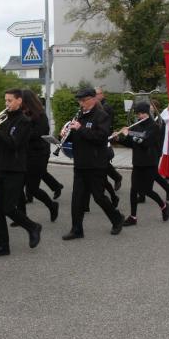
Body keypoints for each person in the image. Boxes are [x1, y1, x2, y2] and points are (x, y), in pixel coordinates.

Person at [0, 89, 43, 257]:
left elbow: (13, 143)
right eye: (6, 100)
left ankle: (32, 226)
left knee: (8, 208)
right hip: (2, 167)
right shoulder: (5, 120)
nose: (6, 103)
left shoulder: (24, 121)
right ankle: (3, 246)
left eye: (9, 100)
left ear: (19, 101)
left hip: (16, 169)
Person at [61, 88, 124, 240]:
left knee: (98, 197)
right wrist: (65, 134)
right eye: (79, 101)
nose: (81, 103)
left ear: (93, 99)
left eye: (83, 100)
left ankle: (117, 218)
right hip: (80, 162)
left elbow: (101, 137)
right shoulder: (80, 115)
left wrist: (80, 129)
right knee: (77, 198)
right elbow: (77, 136)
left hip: (96, 163)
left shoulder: (102, 116)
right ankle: (77, 229)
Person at [115, 102, 169, 226]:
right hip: (138, 161)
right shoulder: (136, 126)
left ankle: (164, 206)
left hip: (150, 162)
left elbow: (145, 141)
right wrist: (119, 138)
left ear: (148, 113)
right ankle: (133, 217)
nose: (140, 116)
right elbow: (131, 143)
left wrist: (130, 133)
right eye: (138, 114)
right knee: (134, 190)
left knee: (146, 190)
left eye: (142, 113)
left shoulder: (154, 126)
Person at [16, 90, 59, 222]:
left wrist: (21, 131)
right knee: (18, 187)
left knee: (33, 188)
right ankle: (21, 217)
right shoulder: (22, 114)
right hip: (24, 154)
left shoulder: (40, 115)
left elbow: (38, 134)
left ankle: (52, 205)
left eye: (21, 100)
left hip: (38, 154)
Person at [96, 87, 123, 192]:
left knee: (102, 162)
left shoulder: (106, 107)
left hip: (104, 137)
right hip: (100, 137)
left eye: (97, 94)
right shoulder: (97, 106)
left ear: (102, 94)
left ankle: (113, 180)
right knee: (101, 163)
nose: (95, 96)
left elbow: (107, 124)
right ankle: (115, 178)